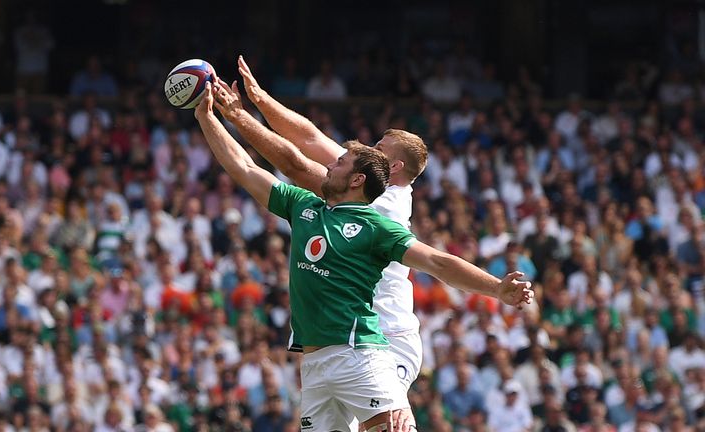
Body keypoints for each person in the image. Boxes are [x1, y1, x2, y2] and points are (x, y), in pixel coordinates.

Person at [195, 81, 532, 431]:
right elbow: (253, 166)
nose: (329, 164)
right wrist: (210, 116)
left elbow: (437, 261)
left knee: (395, 428)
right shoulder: (308, 206)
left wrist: (496, 288)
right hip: (316, 363)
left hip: (374, 345)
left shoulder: (379, 217)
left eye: (341, 161)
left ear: (361, 177)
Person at [218, 55, 428, 427]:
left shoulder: (381, 200)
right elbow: (310, 137)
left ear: (393, 167)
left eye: (380, 145)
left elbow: (297, 164)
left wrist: (240, 116)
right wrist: (260, 98)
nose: (369, 147)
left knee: (390, 427)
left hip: (386, 337)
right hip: (354, 338)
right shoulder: (373, 183)